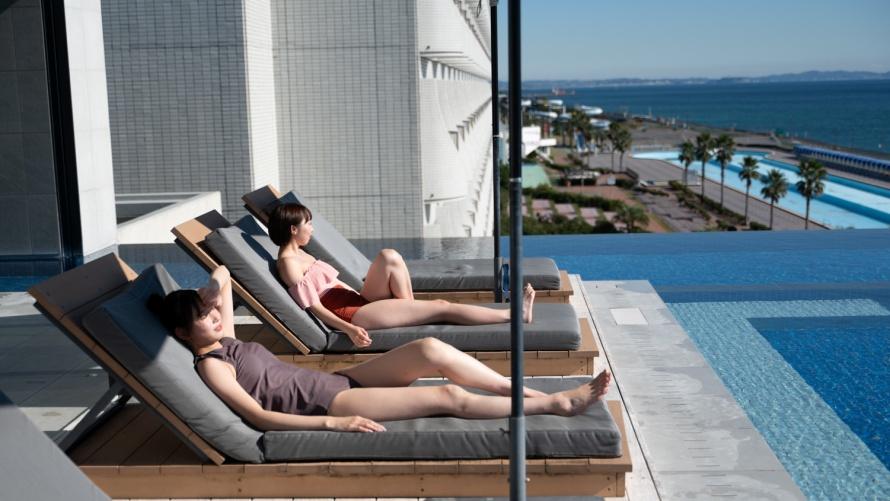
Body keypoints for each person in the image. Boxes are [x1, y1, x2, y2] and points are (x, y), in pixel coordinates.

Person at [150, 266, 612, 432]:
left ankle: (518, 390)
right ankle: (554, 403)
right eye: (203, 317)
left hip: (336, 382)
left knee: (429, 348)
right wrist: (334, 422)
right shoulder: (212, 365)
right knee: (446, 396)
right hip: (328, 404)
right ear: (182, 333)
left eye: (212, 311)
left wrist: (209, 292)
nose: (215, 315)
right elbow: (258, 417)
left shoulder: (223, 337)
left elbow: (224, 276)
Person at [269, 203, 536, 348]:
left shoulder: (301, 253)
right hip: (352, 314)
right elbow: (314, 307)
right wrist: (350, 329)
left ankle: (412, 311)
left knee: (389, 256)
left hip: (355, 300)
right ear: (293, 229)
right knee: (442, 307)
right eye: (308, 224)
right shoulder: (289, 264)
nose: (312, 229)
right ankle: (515, 315)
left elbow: (332, 284)